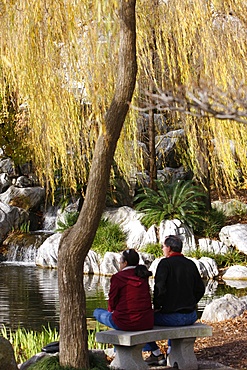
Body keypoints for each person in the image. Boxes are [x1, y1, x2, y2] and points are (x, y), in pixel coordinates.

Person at [144, 235, 205, 366]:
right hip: (191, 316)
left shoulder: (165, 264)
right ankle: (171, 350)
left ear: (169, 248)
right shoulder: (191, 264)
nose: (162, 249)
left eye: (163, 246)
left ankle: (155, 352)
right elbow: (200, 288)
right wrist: (192, 302)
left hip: (172, 317)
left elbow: (159, 288)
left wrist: (158, 306)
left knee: (140, 319)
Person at [93, 248, 154, 331]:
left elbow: (112, 299)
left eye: (120, 260)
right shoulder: (143, 275)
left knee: (97, 312)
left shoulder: (118, 277)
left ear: (125, 263)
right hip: (146, 322)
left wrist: (111, 311)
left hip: (125, 322)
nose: (119, 262)